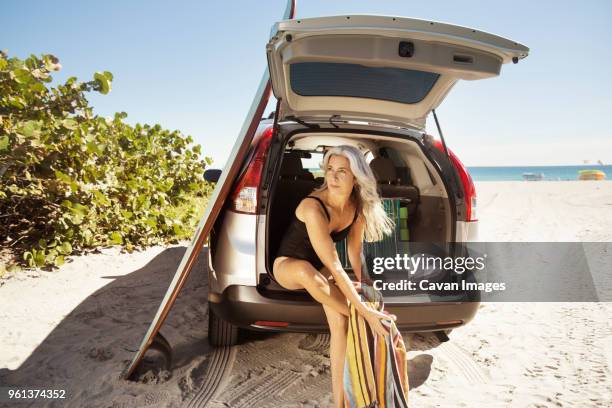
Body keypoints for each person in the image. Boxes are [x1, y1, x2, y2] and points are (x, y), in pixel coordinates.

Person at [272, 144, 397, 408]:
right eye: (330, 169)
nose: (334, 177)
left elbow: (354, 252)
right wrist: (363, 309)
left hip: (323, 270)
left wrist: (366, 284)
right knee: (312, 275)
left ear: (356, 177)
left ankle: (340, 401)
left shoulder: (355, 206)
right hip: (290, 267)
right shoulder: (313, 206)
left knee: (340, 323)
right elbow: (335, 263)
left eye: (342, 171)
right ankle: (365, 319)